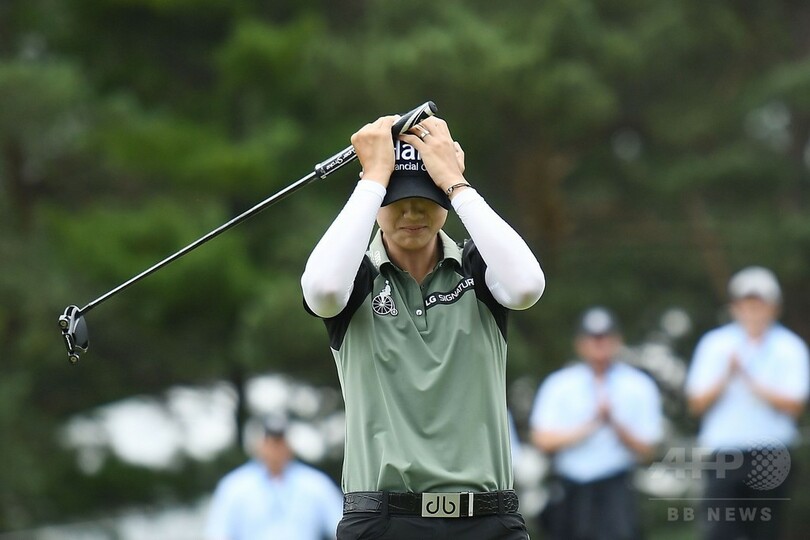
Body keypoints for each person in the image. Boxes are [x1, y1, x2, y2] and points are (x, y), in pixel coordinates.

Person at [301, 114, 545, 539]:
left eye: (426, 197)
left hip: (488, 520)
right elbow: (321, 290)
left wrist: (455, 181)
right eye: (396, 198)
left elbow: (527, 286)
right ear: (376, 200)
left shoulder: (479, 268)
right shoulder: (355, 278)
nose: (412, 212)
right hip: (383, 521)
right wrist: (373, 177)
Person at [685, 266, 809, 540]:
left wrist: (751, 381)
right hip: (724, 453)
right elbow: (696, 404)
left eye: (759, 304)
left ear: (774, 308)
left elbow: (795, 405)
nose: (753, 311)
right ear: (735, 307)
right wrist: (726, 375)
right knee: (719, 530)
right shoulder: (714, 344)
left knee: (766, 531)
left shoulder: (790, 348)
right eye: (746, 304)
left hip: (771, 454)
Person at [529, 306, 663, 540]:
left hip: (616, 487)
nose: (599, 345)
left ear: (617, 340)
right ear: (580, 343)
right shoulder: (559, 384)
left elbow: (648, 451)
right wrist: (589, 427)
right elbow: (541, 440)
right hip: (570, 487)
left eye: (604, 338)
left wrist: (614, 423)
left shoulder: (639, 385)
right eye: (593, 338)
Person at [205, 415, 344, 540]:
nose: (275, 449)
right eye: (270, 442)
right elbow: (218, 533)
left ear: (289, 445)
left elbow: (341, 528)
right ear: (259, 445)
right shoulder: (234, 486)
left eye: (280, 442)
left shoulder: (316, 484)